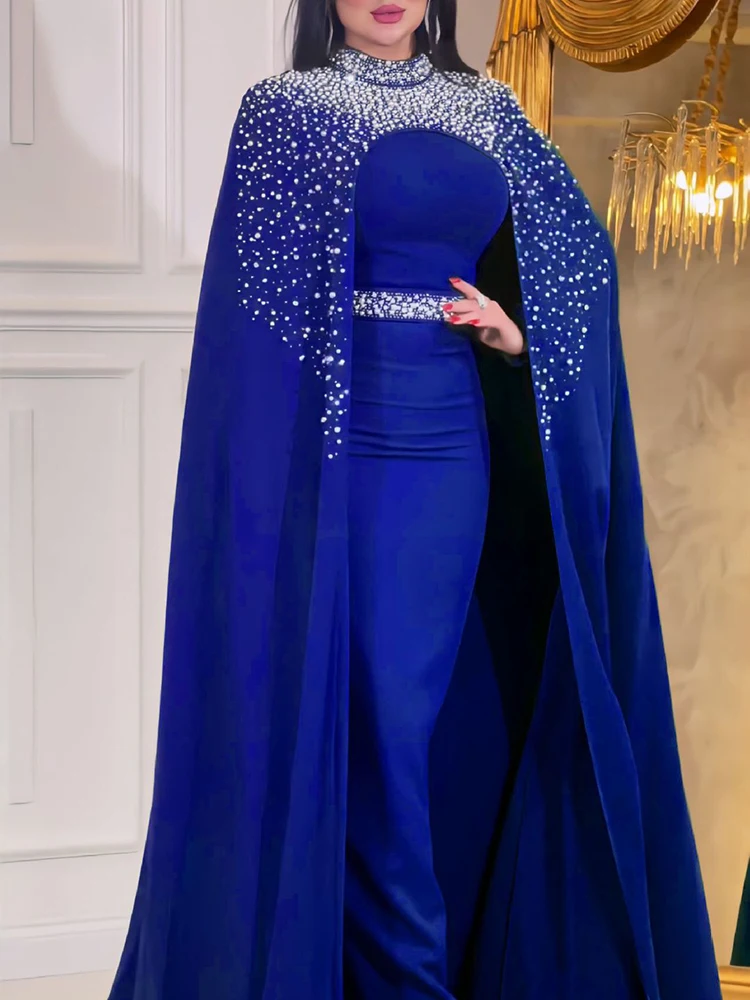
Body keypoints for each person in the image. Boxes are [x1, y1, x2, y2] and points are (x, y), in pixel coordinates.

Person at [107, 1, 723, 998]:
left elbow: (580, 261)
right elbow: (256, 317)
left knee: (414, 726)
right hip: (340, 453)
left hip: (451, 457)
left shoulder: (485, 108)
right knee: (372, 727)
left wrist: (520, 335)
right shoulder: (286, 111)